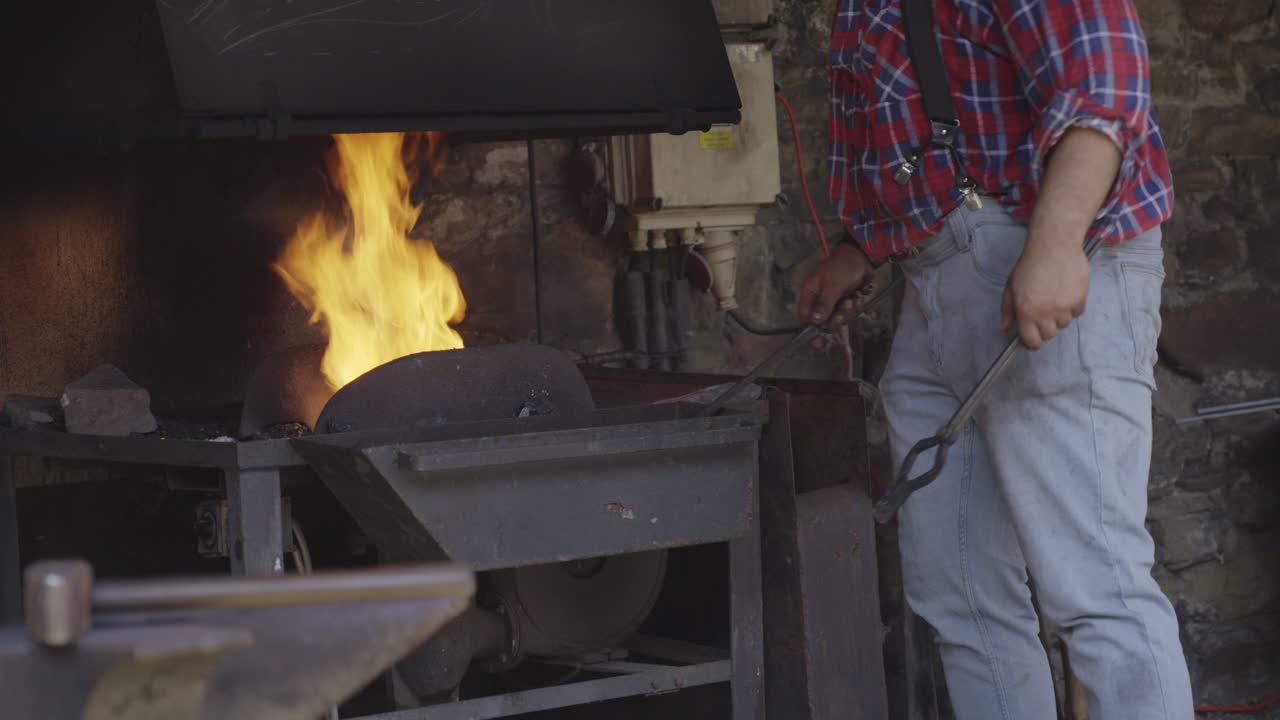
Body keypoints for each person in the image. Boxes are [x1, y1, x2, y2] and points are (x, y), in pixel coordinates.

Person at [798, 2, 1194, 718]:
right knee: (960, 597)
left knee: (1097, 589)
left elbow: (1103, 79)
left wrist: (1056, 241)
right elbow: (921, 134)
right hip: (936, 275)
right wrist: (861, 248)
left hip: (1043, 251)